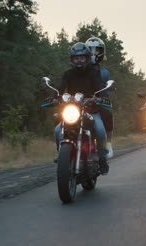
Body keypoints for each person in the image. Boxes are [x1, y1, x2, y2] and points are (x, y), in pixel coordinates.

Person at [53, 42, 109, 174]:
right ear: (72, 59)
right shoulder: (68, 74)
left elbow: (101, 87)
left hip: (91, 110)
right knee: (57, 130)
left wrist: (103, 96)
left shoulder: (94, 73)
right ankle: (62, 155)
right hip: (73, 110)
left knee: (100, 130)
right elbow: (59, 87)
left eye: (82, 58)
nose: (79, 60)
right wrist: (53, 96)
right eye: (76, 58)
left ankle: (102, 158)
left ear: (87, 58)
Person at [85, 37, 114, 158]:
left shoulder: (104, 72)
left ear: (101, 52)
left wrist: (103, 98)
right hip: (78, 105)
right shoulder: (79, 69)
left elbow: (105, 90)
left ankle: (108, 144)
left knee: (106, 116)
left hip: (95, 105)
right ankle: (62, 150)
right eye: (90, 50)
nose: (92, 53)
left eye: (96, 50)